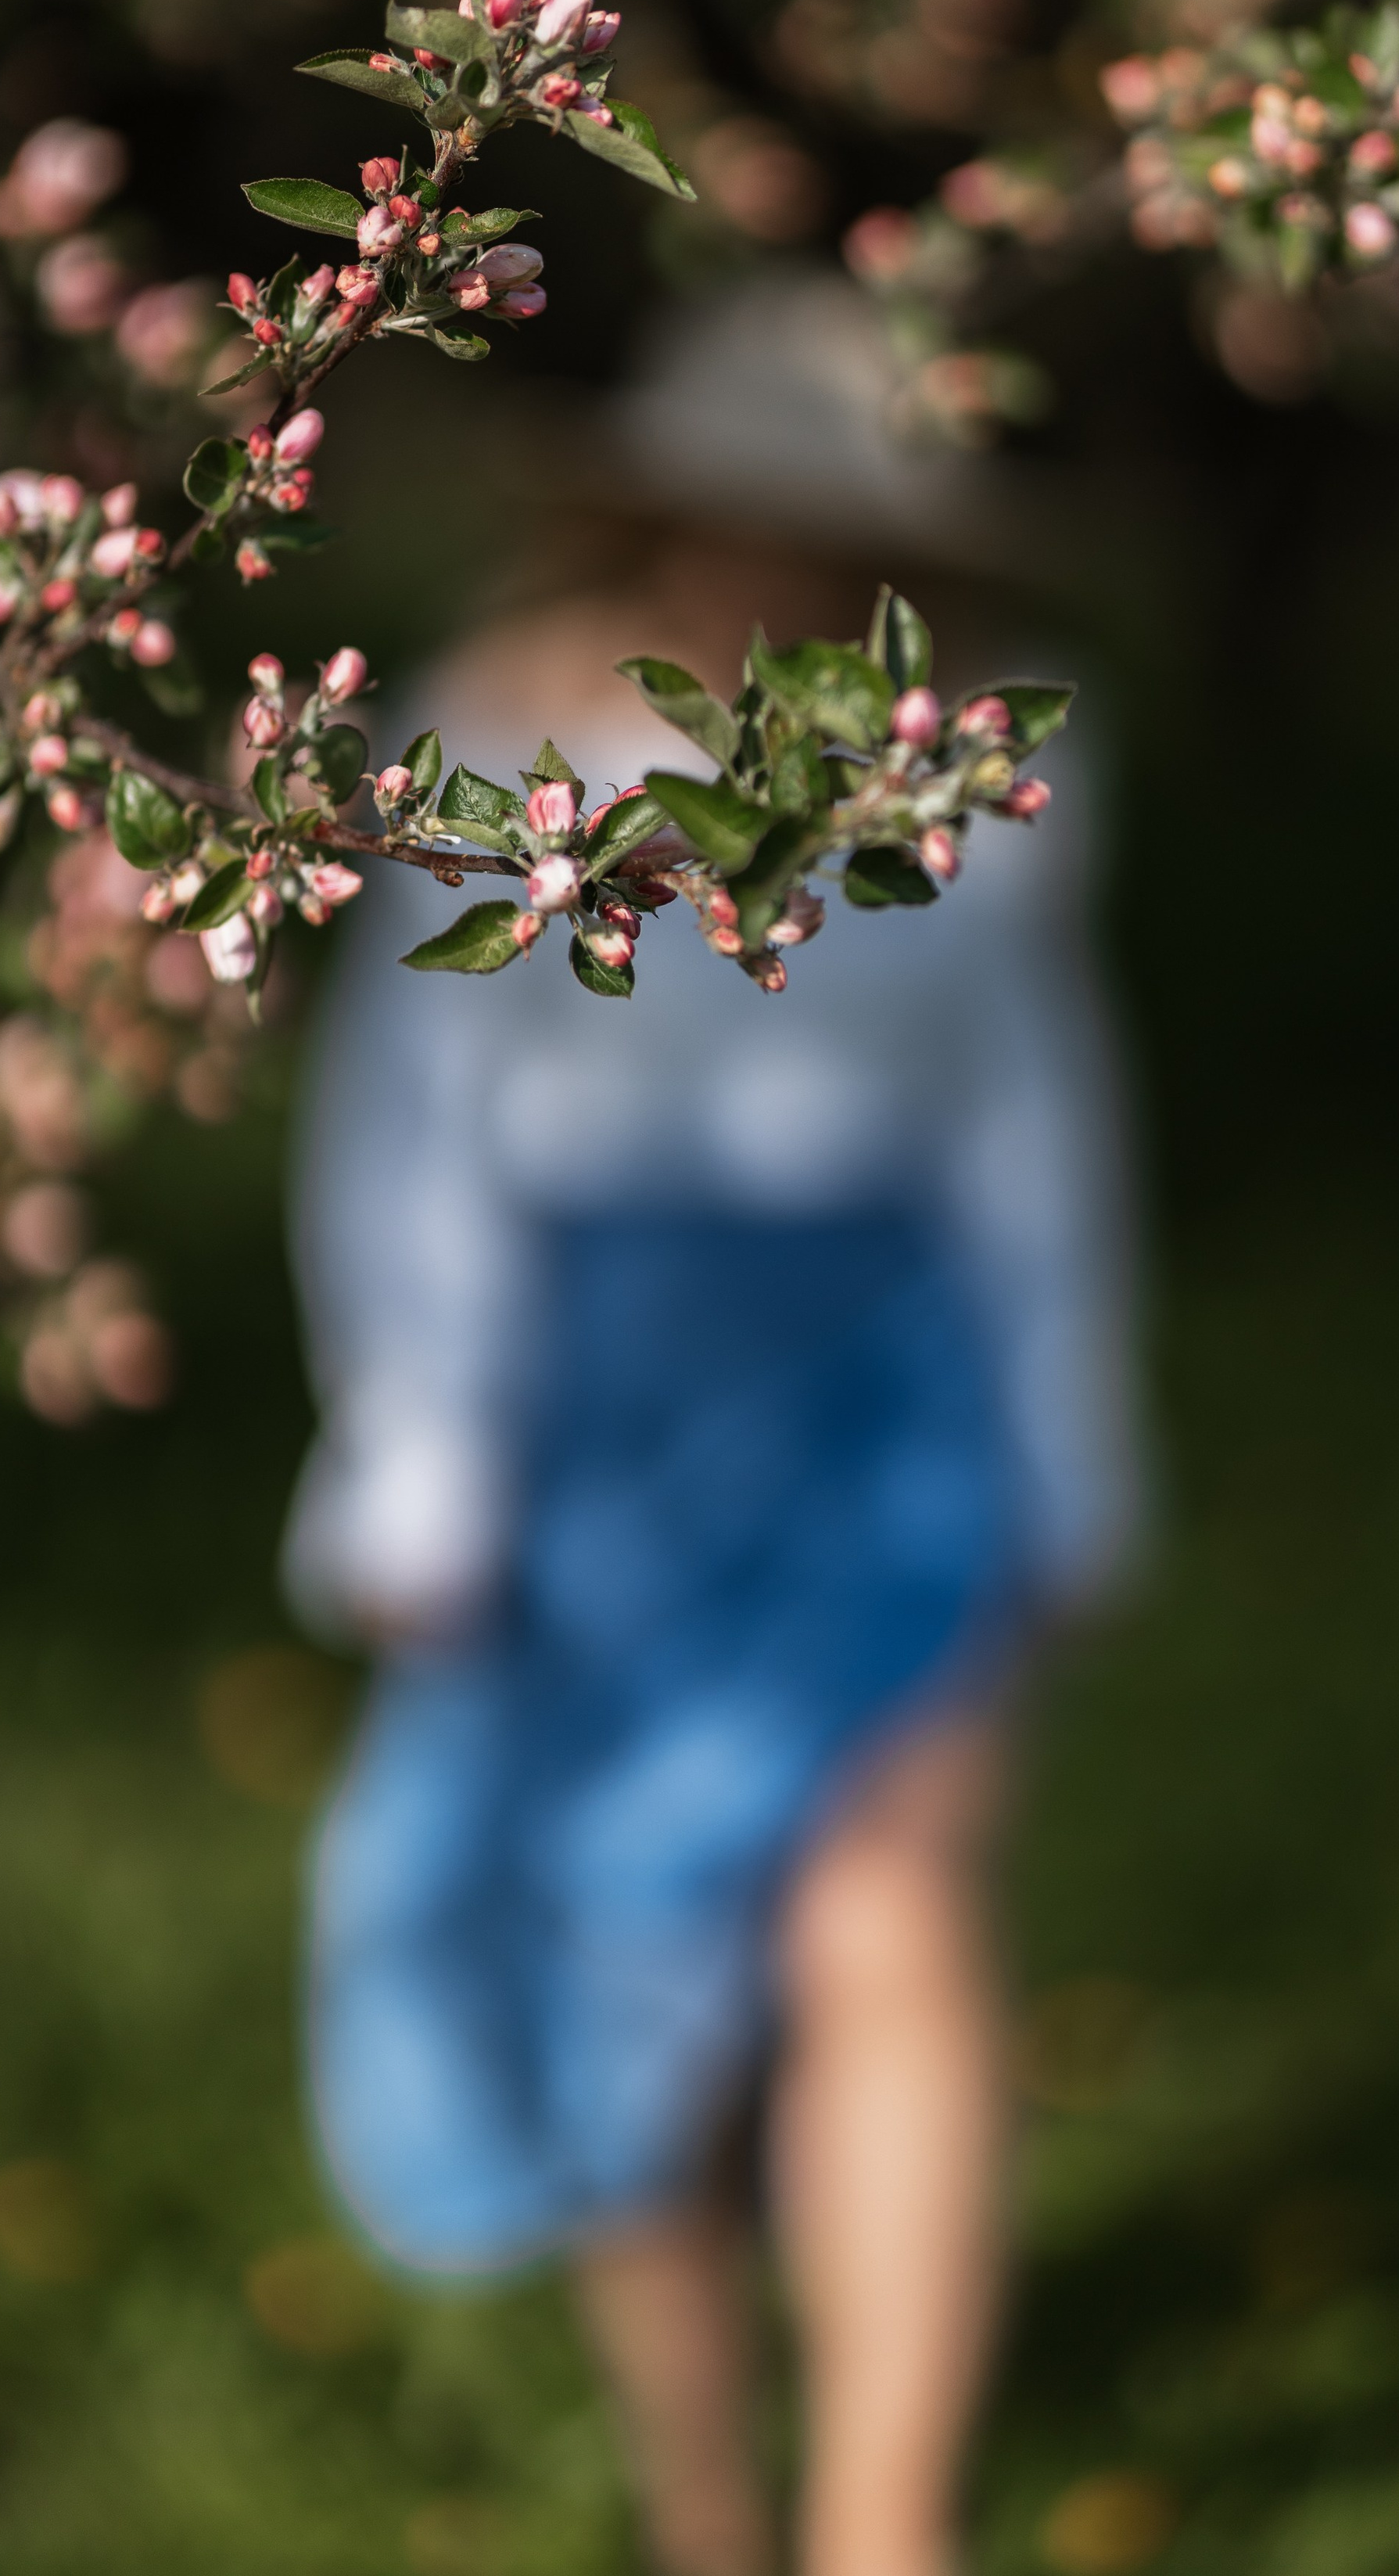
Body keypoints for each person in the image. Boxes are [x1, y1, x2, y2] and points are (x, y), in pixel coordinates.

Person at [280, 279, 1143, 2576]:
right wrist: (424, 1453)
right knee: (628, 1946)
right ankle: (705, 2502)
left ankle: (886, 2524)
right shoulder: (494, 749)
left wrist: (1071, 1450)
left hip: (883, 1377)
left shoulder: (991, 761)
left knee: (890, 1908)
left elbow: (1033, 1115)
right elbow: (412, 1123)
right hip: (597, 1394)